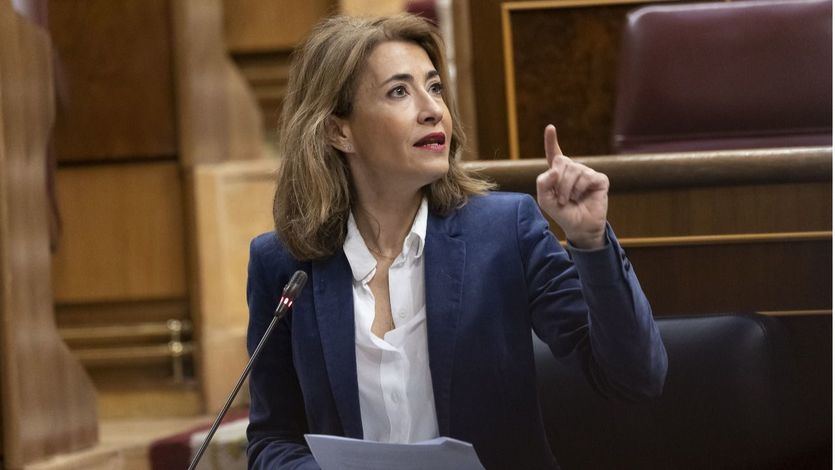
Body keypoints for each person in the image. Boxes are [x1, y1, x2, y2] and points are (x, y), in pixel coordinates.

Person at [246, 14, 667, 470]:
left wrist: (589, 241)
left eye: (435, 88)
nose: (432, 110)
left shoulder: (504, 232)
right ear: (338, 131)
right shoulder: (284, 265)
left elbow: (634, 377)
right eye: (399, 92)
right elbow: (273, 439)